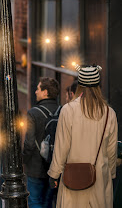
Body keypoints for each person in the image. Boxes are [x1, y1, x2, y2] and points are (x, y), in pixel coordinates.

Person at [48, 65, 118, 207]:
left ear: (80, 85)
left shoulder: (68, 110)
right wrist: (110, 173)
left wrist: (54, 174)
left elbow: (62, 147)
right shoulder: (109, 113)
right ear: (98, 85)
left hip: (72, 180)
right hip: (99, 179)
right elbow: (112, 150)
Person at [22, 77, 60, 208]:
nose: (35, 92)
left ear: (45, 92)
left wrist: (24, 160)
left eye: (38, 89)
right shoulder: (63, 111)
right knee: (48, 202)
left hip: (36, 167)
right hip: (55, 166)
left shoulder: (33, 113)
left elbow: (29, 143)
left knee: (34, 201)